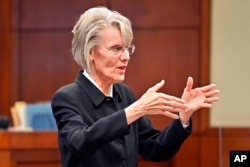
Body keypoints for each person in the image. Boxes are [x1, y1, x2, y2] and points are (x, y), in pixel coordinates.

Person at [51, 6, 220, 167]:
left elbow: (157, 149)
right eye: (116, 48)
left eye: (127, 48)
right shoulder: (67, 97)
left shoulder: (124, 94)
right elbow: (79, 142)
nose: (126, 57)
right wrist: (136, 110)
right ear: (91, 52)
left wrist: (183, 115)